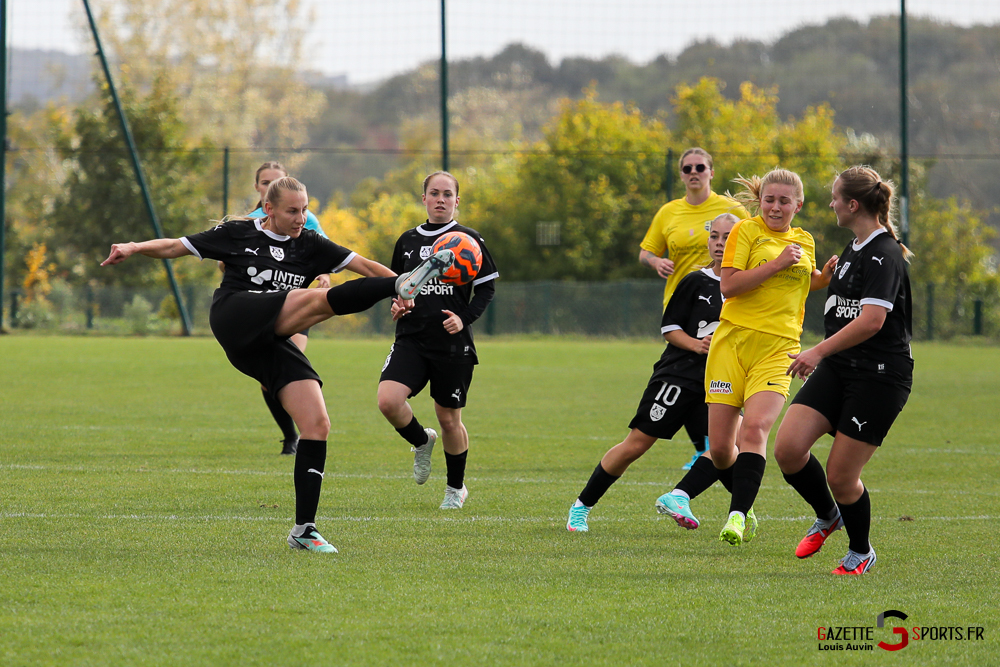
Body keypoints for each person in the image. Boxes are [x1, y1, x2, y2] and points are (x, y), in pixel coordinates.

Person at [102, 176, 455, 553]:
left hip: (267, 340)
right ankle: (402, 283)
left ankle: (304, 530)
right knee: (315, 300)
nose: (301, 217)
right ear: (268, 209)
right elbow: (175, 246)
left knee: (317, 423)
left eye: (304, 209)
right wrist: (134, 246)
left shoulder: (310, 243)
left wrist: (400, 294)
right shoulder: (238, 233)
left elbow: (365, 265)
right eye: (292, 210)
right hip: (235, 317)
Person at [774, 166, 913, 575]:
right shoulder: (853, 247)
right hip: (840, 368)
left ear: (853, 204)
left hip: (879, 376)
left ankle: (860, 551)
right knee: (787, 449)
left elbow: (871, 321)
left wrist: (816, 352)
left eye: (835, 197)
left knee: (841, 474)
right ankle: (827, 515)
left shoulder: (884, 254)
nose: (831, 203)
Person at [567, 213, 738, 532]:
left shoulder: (747, 287)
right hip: (679, 377)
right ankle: (581, 507)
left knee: (726, 448)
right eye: (715, 236)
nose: (719, 243)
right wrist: (697, 345)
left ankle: (726, 508)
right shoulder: (694, 281)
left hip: (719, 382)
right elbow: (670, 328)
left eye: (727, 237)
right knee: (636, 444)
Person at [704, 168, 838, 547]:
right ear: (760, 201)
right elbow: (729, 286)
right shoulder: (746, 232)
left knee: (756, 429)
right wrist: (776, 262)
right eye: (769, 200)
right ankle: (744, 503)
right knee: (719, 450)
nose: (775, 208)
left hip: (780, 348)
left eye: (784, 201)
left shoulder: (804, 239)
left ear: (799, 204)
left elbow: (802, 280)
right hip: (731, 344)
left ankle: (737, 516)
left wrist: (823, 277)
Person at [377, 171, 499, 510]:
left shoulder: (468, 239)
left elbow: (487, 286)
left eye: (448, 194)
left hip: (452, 345)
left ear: (457, 200)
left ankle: (455, 488)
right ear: (424, 199)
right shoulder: (407, 242)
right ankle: (420, 440)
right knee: (388, 401)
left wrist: (465, 318)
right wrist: (398, 304)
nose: (441, 199)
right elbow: (399, 286)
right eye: (434, 193)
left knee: (449, 419)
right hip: (412, 338)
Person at [639, 148, 749, 470]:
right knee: (689, 374)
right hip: (682, 308)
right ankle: (708, 447)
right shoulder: (669, 212)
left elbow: (754, 244)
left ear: (711, 172)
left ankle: (712, 446)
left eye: (700, 167)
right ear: (681, 174)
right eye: (687, 168)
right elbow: (645, 252)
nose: (693, 172)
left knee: (710, 379)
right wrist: (656, 260)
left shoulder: (731, 209)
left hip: (723, 304)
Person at [246, 161, 330, 456]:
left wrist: (324, 274)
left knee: (290, 359)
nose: (270, 185)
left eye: (277, 180)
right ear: (258, 188)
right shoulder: (250, 222)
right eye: (265, 181)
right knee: (268, 383)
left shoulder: (306, 218)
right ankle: (290, 435)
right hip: (259, 313)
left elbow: (325, 252)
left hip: (293, 306)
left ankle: (310, 423)